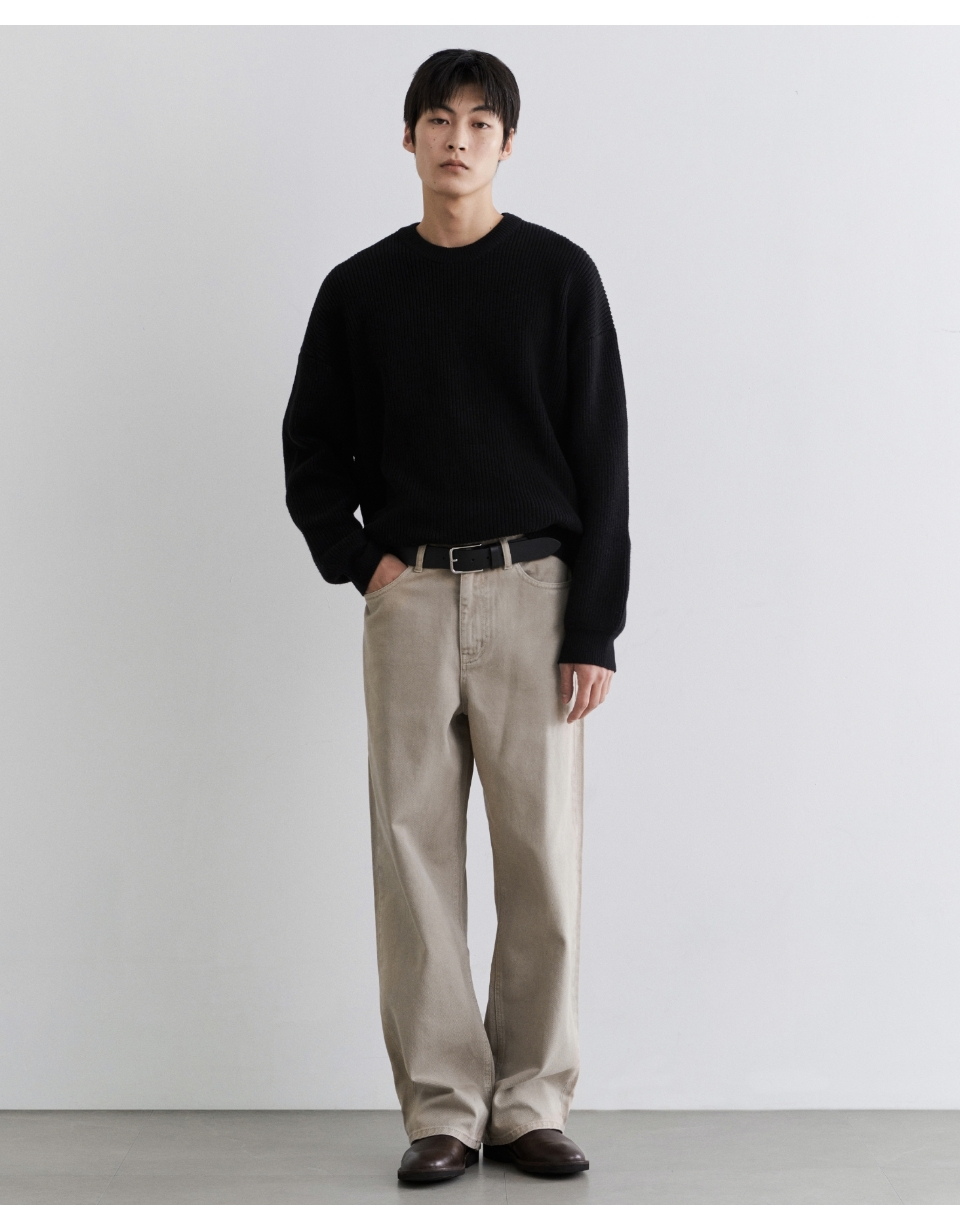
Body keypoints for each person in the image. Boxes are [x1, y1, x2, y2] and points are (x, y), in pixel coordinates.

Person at [282, 47, 629, 1185]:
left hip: (537, 593)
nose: (459, 139)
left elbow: (603, 458)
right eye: (439, 119)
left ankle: (529, 1103)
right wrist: (363, 563)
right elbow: (311, 448)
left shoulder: (560, 276)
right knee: (412, 855)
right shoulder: (360, 289)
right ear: (409, 136)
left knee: (542, 860)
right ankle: (443, 1106)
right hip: (412, 597)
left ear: (507, 144)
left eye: (482, 122)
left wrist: (595, 626)